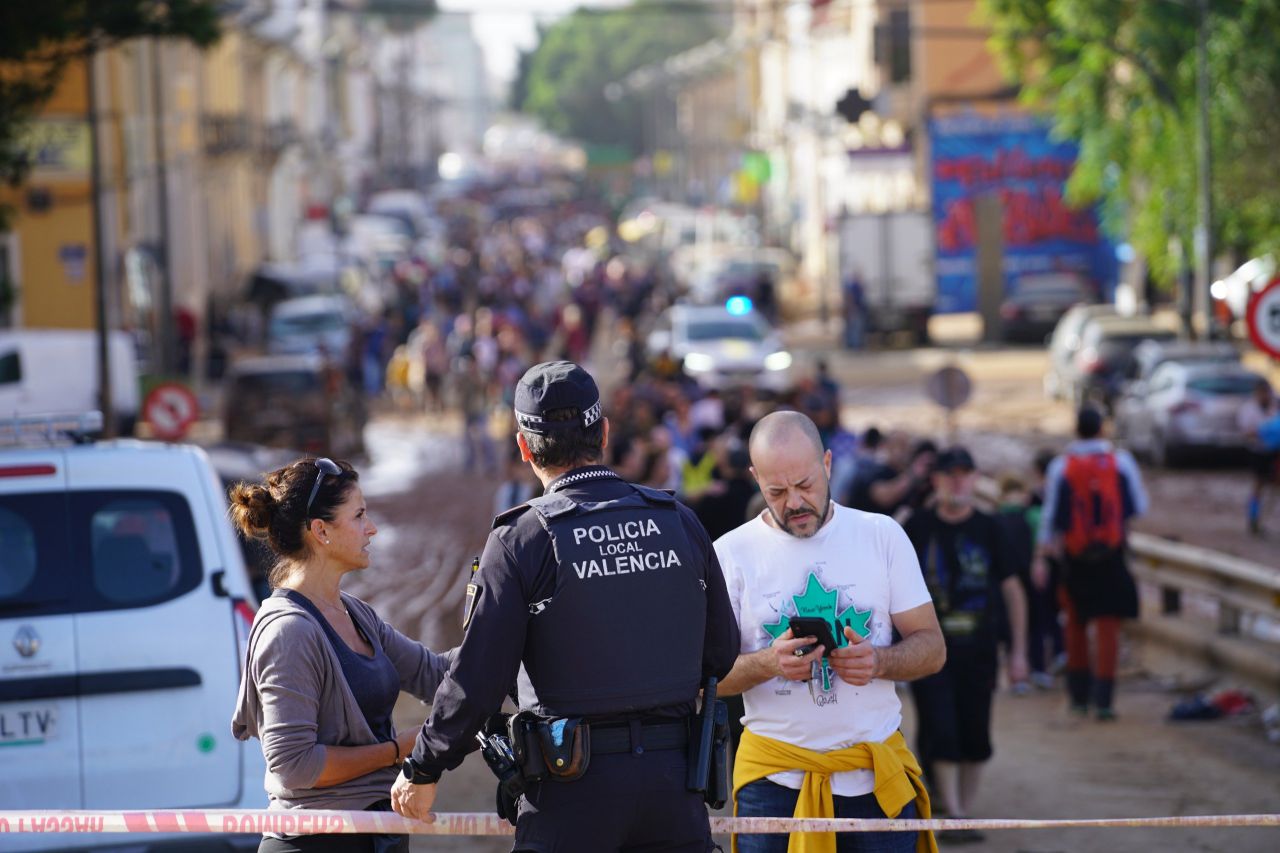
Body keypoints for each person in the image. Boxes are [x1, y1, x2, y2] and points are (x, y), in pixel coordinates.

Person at [391, 360, 740, 853]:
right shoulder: (678, 520)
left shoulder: (523, 538)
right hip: (674, 789)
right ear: (604, 432)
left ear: (523, 446)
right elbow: (721, 654)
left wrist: (424, 766)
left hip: (570, 793)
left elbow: (479, 678)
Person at [714, 411, 944, 853]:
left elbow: (932, 648)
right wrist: (767, 663)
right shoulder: (729, 554)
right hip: (773, 783)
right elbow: (703, 681)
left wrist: (879, 661)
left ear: (828, 463)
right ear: (755, 478)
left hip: (875, 776)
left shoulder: (882, 536)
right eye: (777, 491)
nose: (795, 503)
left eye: (805, 485)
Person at [229, 457, 455, 853]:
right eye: (359, 515)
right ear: (321, 531)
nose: (372, 528)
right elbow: (294, 765)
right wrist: (399, 749)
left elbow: (434, 674)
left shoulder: (355, 613)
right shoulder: (290, 632)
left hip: (372, 833)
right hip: (317, 842)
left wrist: (508, 637)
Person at [902, 448, 1028, 842]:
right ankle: (954, 813)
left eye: (965, 474)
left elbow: (1013, 589)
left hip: (980, 651)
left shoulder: (992, 528)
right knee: (941, 729)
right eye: (949, 474)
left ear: (975, 479)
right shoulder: (916, 527)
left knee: (976, 734)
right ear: (936, 480)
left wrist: (1020, 652)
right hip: (927, 653)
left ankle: (964, 810)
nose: (958, 482)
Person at [1037, 407, 1149, 720]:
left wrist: (1043, 553)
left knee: (1075, 625)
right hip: (1111, 556)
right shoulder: (1121, 462)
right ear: (1101, 429)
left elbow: (1050, 516)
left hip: (1075, 559)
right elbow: (1139, 506)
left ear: (1076, 430)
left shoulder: (1061, 466)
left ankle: (1078, 699)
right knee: (1108, 628)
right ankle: (1104, 701)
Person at [1236, 378, 1277, 535]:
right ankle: (1254, 519)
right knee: (1258, 485)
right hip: (1258, 452)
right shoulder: (1248, 409)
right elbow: (1246, 432)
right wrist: (1263, 431)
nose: (1265, 396)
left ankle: (1265, 519)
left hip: (1274, 452)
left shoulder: (1274, 406)